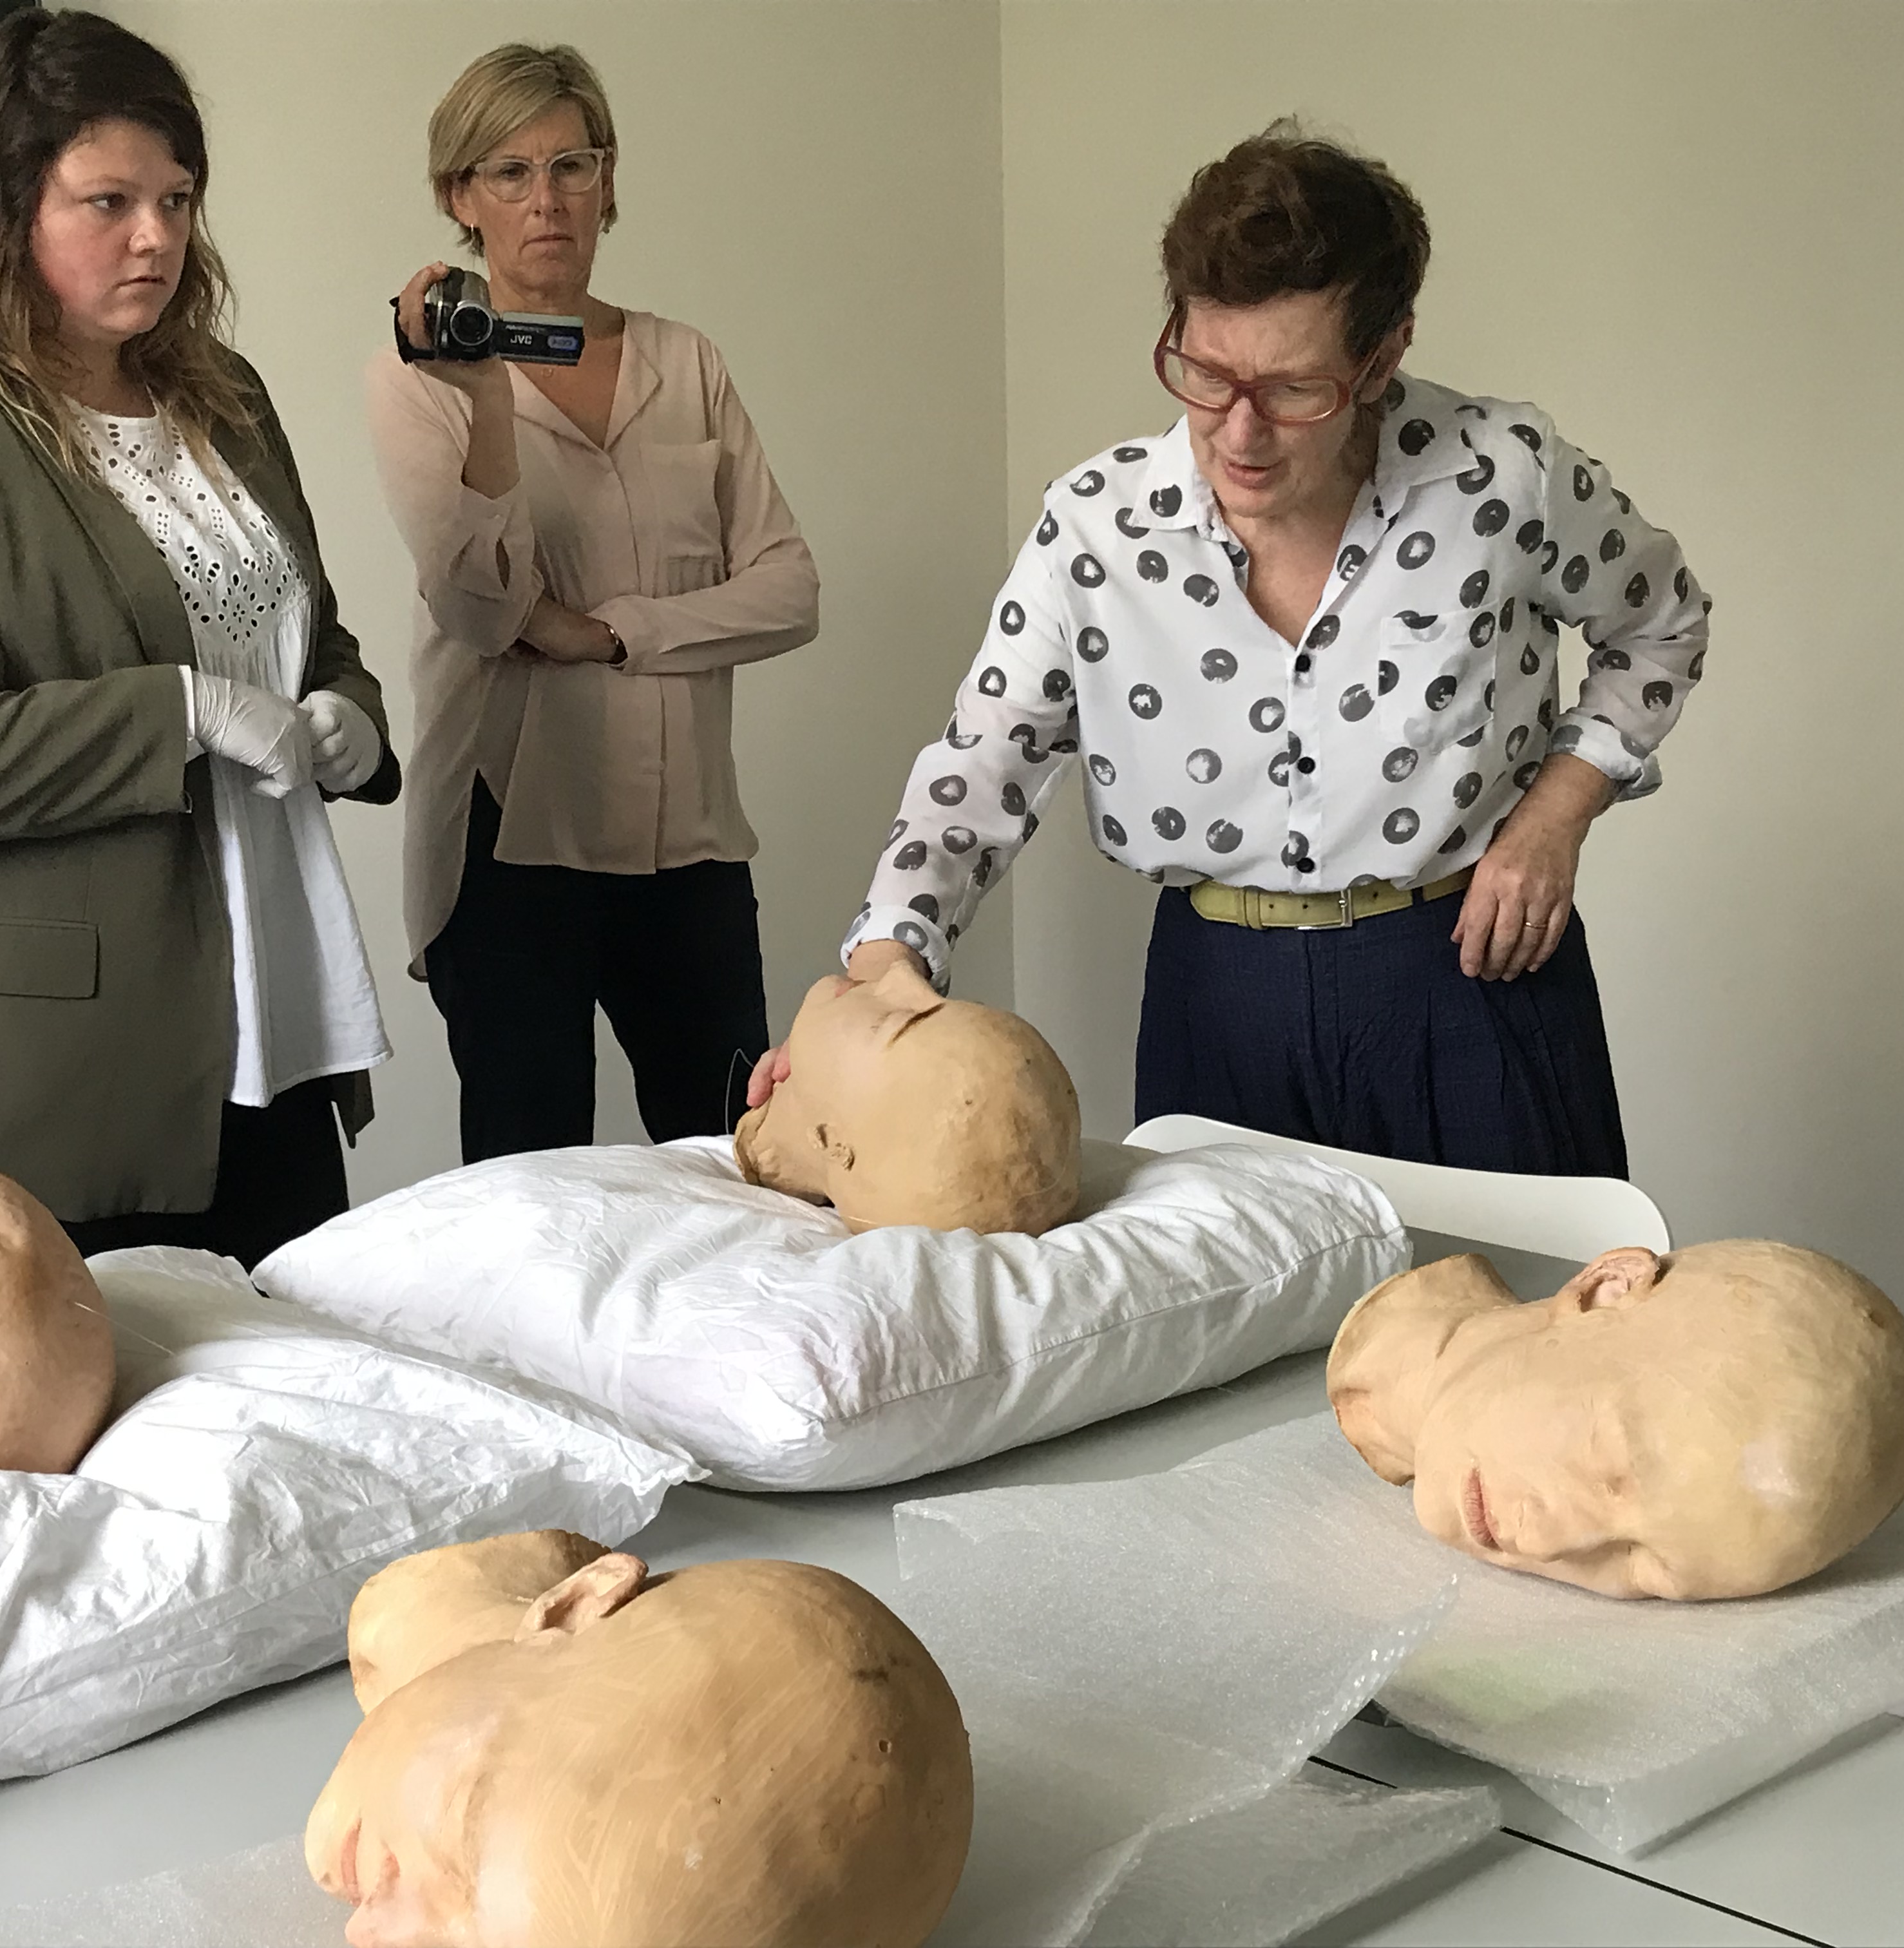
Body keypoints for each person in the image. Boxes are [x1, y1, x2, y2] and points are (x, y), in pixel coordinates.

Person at [801, 120, 1711, 1177]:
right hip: (1216, 1001)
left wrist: (1556, 815)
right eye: (1203, 373)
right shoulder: (1098, 525)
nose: (1238, 433)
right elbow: (981, 763)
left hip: (1467, 977)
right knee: (1242, 1337)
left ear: (1384, 357)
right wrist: (888, 957)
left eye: (1291, 391)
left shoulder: (1502, 477)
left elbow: (1662, 624)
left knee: (1530, 1326)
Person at [0, 8, 401, 1269]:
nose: (158, 235)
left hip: (267, 1023)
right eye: (107, 200)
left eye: (177, 197)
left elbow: (306, 635)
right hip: (41, 1082)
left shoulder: (222, 393)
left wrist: (350, 717)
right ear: (3, 209)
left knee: (289, 1442)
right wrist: (182, 715)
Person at [368, 43, 819, 1165]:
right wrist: (483, 403)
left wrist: (610, 633)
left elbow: (789, 588)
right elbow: (479, 612)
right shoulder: (421, 378)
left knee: (738, 1165)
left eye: (572, 164)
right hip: (512, 836)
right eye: (508, 172)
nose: (547, 199)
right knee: (532, 1181)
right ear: (457, 198)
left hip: (688, 846)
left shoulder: (687, 361)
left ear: (610, 180)